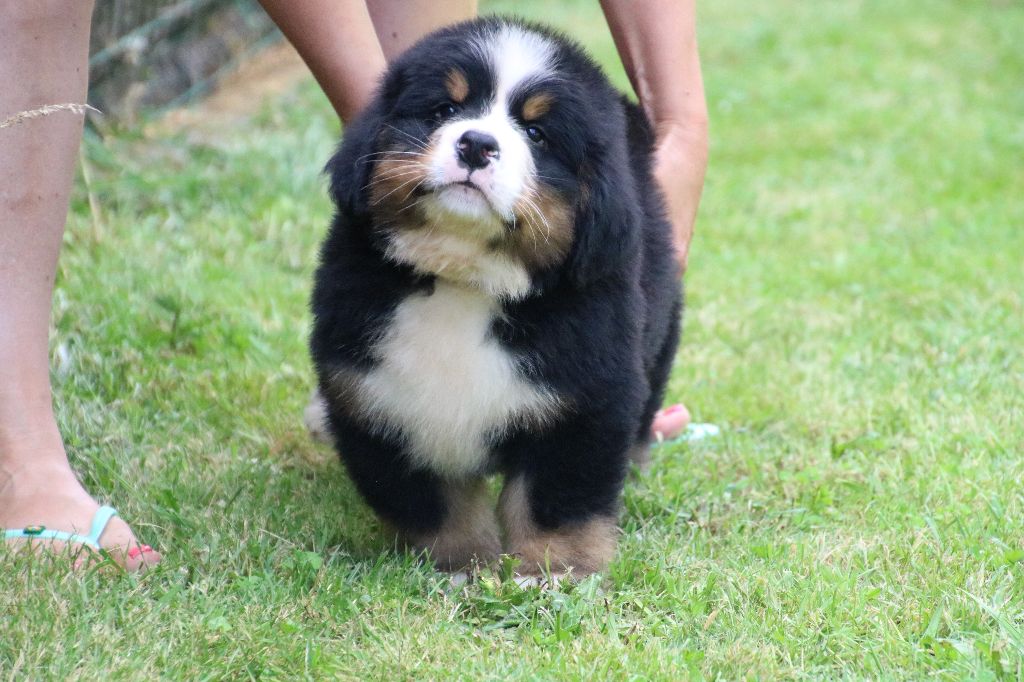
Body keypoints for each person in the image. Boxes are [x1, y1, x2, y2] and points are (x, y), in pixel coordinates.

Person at [0, 0, 707, 570]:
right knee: (381, 439)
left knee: (595, 425)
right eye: (447, 111)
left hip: (562, 330)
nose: (478, 139)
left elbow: (591, 415)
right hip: (393, 299)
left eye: (536, 137)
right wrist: (449, 548)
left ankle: (619, 454)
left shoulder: (599, 298)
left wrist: (684, 120)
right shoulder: (355, 295)